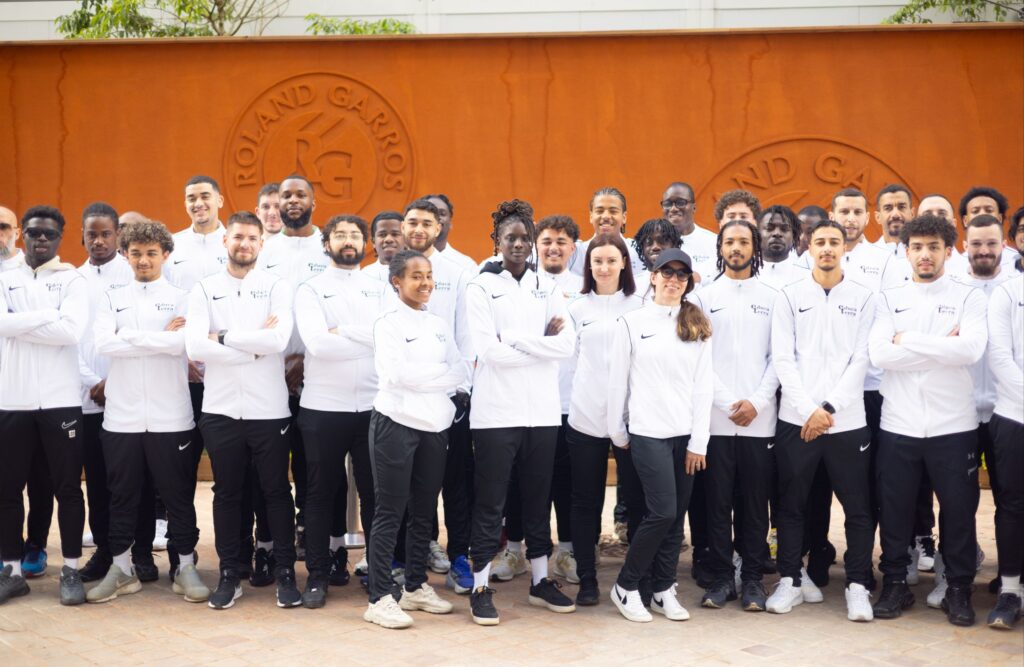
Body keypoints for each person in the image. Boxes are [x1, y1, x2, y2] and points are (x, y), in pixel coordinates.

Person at [869, 214, 987, 627]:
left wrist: (908, 341)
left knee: (957, 511)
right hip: (899, 422)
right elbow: (880, 355)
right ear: (906, 252)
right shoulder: (888, 298)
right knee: (896, 509)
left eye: (933, 247)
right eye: (917, 247)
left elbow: (970, 350)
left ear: (948, 252)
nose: (924, 254)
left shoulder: (969, 296)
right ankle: (896, 584)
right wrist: (940, 346)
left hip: (953, 425)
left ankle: (958, 587)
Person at [465, 199, 576, 625]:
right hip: (495, 415)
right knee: (491, 504)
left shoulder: (546, 287)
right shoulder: (481, 287)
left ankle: (540, 581)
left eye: (524, 237)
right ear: (496, 240)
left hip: (543, 413)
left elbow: (566, 348)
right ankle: (479, 585)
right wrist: (536, 344)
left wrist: (515, 338)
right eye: (509, 236)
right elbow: (488, 353)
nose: (518, 243)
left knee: (537, 500)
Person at [87, 220, 209, 604]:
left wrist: (132, 337)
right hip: (121, 416)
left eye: (151, 253)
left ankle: (185, 566)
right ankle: (122, 570)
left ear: (165, 255)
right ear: (125, 255)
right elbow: (104, 343)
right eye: (135, 253)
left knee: (177, 497)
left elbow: (184, 346)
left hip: (170, 415)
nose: (143, 260)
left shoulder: (182, 296)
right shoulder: (110, 296)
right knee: (121, 496)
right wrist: (161, 337)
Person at [184, 210, 300, 610]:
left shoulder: (276, 286)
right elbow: (196, 348)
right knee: (227, 494)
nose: (244, 244)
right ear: (225, 241)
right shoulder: (204, 289)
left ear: (261, 244)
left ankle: (285, 572)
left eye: (252, 238)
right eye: (237, 237)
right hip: (220, 410)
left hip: (269, 410)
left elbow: (279, 339)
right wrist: (252, 349)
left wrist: (228, 338)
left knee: (276, 492)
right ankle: (230, 574)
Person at [770, 219, 876, 622]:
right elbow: (783, 358)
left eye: (834, 241)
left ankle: (858, 585)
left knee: (858, 508)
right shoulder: (789, 295)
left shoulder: (864, 297)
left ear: (845, 246)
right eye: (820, 242)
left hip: (847, 422)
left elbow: (861, 359)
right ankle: (790, 581)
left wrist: (828, 410)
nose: (828, 248)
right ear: (808, 246)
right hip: (796, 420)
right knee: (791, 506)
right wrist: (808, 409)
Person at [363, 249, 467, 629]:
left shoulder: (439, 323)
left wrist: (431, 374)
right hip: (395, 424)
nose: (425, 283)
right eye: (415, 276)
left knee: (424, 510)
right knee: (390, 512)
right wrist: (437, 375)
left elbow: (458, 370)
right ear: (397, 281)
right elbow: (396, 376)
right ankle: (378, 598)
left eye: (428, 275)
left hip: (435, 427)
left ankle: (415, 587)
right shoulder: (387, 323)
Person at [607, 247, 711, 623]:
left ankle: (663, 589)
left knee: (675, 517)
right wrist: (617, 432)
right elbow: (618, 382)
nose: (673, 279)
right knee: (661, 511)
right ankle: (626, 586)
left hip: (684, 437)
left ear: (687, 282)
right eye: (666, 272)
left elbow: (703, 388)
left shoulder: (697, 324)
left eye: (681, 275)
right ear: (652, 276)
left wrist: (699, 441)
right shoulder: (631, 323)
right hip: (646, 433)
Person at [293, 214, 385, 608]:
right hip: (323, 408)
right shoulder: (310, 289)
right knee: (319, 494)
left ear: (366, 243)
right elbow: (317, 345)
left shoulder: (381, 287)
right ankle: (318, 574)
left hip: (372, 405)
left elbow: (390, 338)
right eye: (340, 235)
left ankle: (378, 575)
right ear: (326, 243)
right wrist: (368, 339)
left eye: (354, 235)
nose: (348, 241)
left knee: (374, 495)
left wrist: (342, 331)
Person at [0, 206, 88, 606]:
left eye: (48, 234)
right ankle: (12, 571)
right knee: (7, 489)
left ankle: (70, 569)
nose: (40, 240)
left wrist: (20, 321)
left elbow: (71, 332)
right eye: (33, 233)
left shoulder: (73, 279)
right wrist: (47, 318)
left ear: (60, 237)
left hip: (60, 401)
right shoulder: (5, 277)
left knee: (68, 488)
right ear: (23, 235)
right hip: (11, 400)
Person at [692, 221, 779, 612]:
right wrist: (729, 403)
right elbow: (699, 358)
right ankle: (721, 577)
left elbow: (781, 357)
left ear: (754, 247)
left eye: (744, 241)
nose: (736, 248)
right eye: (730, 242)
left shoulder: (774, 297)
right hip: (717, 419)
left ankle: (754, 580)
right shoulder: (705, 296)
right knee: (717, 503)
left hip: (760, 421)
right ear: (720, 248)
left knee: (754, 504)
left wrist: (758, 401)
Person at [496, 215, 583, 584]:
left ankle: (565, 552)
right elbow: (501, 337)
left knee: (564, 481)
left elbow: (568, 345)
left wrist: (536, 340)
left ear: (573, 248)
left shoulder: (583, 287)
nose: (553, 247)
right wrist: (543, 340)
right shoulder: (518, 284)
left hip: (568, 402)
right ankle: (514, 551)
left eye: (561, 241)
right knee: (519, 481)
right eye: (546, 240)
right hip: (521, 399)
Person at [75, 203, 156, 586]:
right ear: (83, 237)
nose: (100, 240)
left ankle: (140, 552)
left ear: (118, 237)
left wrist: (116, 382)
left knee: (135, 481)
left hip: (133, 394)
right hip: (92, 399)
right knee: (101, 482)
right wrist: (94, 382)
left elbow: (151, 332)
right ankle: (107, 550)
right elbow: (71, 342)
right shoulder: (74, 280)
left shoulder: (138, 274)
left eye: (107, 233)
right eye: (92, 234)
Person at [397, 199, 475, 590]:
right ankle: (405, 561)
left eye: (426, 222)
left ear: (438, 227)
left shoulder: (459, 273)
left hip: (449, 400)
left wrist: (460, 389)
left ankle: (460, 556)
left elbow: (467, 337)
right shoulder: (389, 273)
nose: (418, 228)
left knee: (455, 484)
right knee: (406, 486)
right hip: (404, 400)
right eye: (411, 221)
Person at [565, 234, 644, 606]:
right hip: (586, 416)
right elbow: (568, 362)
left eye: (612, 260)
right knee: (584, 500)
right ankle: (587, 578)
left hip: (632, 418)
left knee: (639, 500)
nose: (604, 267)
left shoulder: (641, 303)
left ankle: (636, 578)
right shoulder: (576, 307)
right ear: (588, 265)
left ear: (624, 263)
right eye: (597, 261)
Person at [256, 174, 330, 563]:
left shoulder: (328, 246)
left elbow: (336, 313)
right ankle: (267, 538)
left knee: (310, 460)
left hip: (318, 373)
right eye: (286, 195)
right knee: (268, 461)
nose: (293, 200)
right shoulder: (264, 249)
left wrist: (307, 358)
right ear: (277, 203)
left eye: (301, 194)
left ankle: (307, 529)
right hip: (267, 371)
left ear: (313, 202)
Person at [164, 175, 230, 581]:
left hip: (229, 378)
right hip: (184, 379)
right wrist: (184, 353)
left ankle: (236, 559)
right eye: (190, 198)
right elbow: (168, 308)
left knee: (231, 475)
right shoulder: (173, 247)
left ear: (220, 200)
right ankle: (180, 559)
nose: (198, 203)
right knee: (179, 474)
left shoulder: (237, 242)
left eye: (205, 196)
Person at [985, 272, 1024, 629]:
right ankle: (1010, 590)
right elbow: (999, 357)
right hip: (1014, 416)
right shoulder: (1007, 293)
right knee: (1012, 506)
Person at [567, 187, 643, 275]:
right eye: (599, 211)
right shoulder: (575, 253)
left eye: (613, 211)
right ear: (591, 216)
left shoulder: (639, 252)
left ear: (624, 217)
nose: (606, 216)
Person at [660, 182, 717, 279]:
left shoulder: (714, 242)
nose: (673, 208)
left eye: (680, 203)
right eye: (667, 204)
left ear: (694, 207)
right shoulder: (653, 244)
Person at [959, 186, 1018, 269]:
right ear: (965, 220)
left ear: (1000, 218)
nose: (982, 214)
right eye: (975, 211)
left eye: (989, 210)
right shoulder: (957, 264)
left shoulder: (1016, 259)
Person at [757, 205, 809, 290]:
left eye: (784, 229)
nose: (777, 233)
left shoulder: (807, 278)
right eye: (769, 228)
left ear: (794, 236)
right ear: (757, 234)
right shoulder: (744, 274)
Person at [426, 193, 477, 272]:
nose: (436, 217)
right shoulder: (403, 261)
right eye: (430, 212)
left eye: (442, 213)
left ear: (450, 223)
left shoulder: (466, 266)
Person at [632, 218, 681, 293]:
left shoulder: (686, 285)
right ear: (642, 247)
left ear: (675, 245)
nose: (655, 247)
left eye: (662, 241)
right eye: (649, 241)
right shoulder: (632, 287)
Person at [362, 211, 405, 283]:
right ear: (373, 242)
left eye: (395, 234)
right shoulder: (365, 275)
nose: (388, 239)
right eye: (382, 235)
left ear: (406, 239)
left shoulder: (419, 272)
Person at [874, 184, 915, 251]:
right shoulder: (866, 256)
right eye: (888, 208)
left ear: (912, 213)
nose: (895, 214)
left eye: (901, 207)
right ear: (878, 217)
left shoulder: (922, 256)